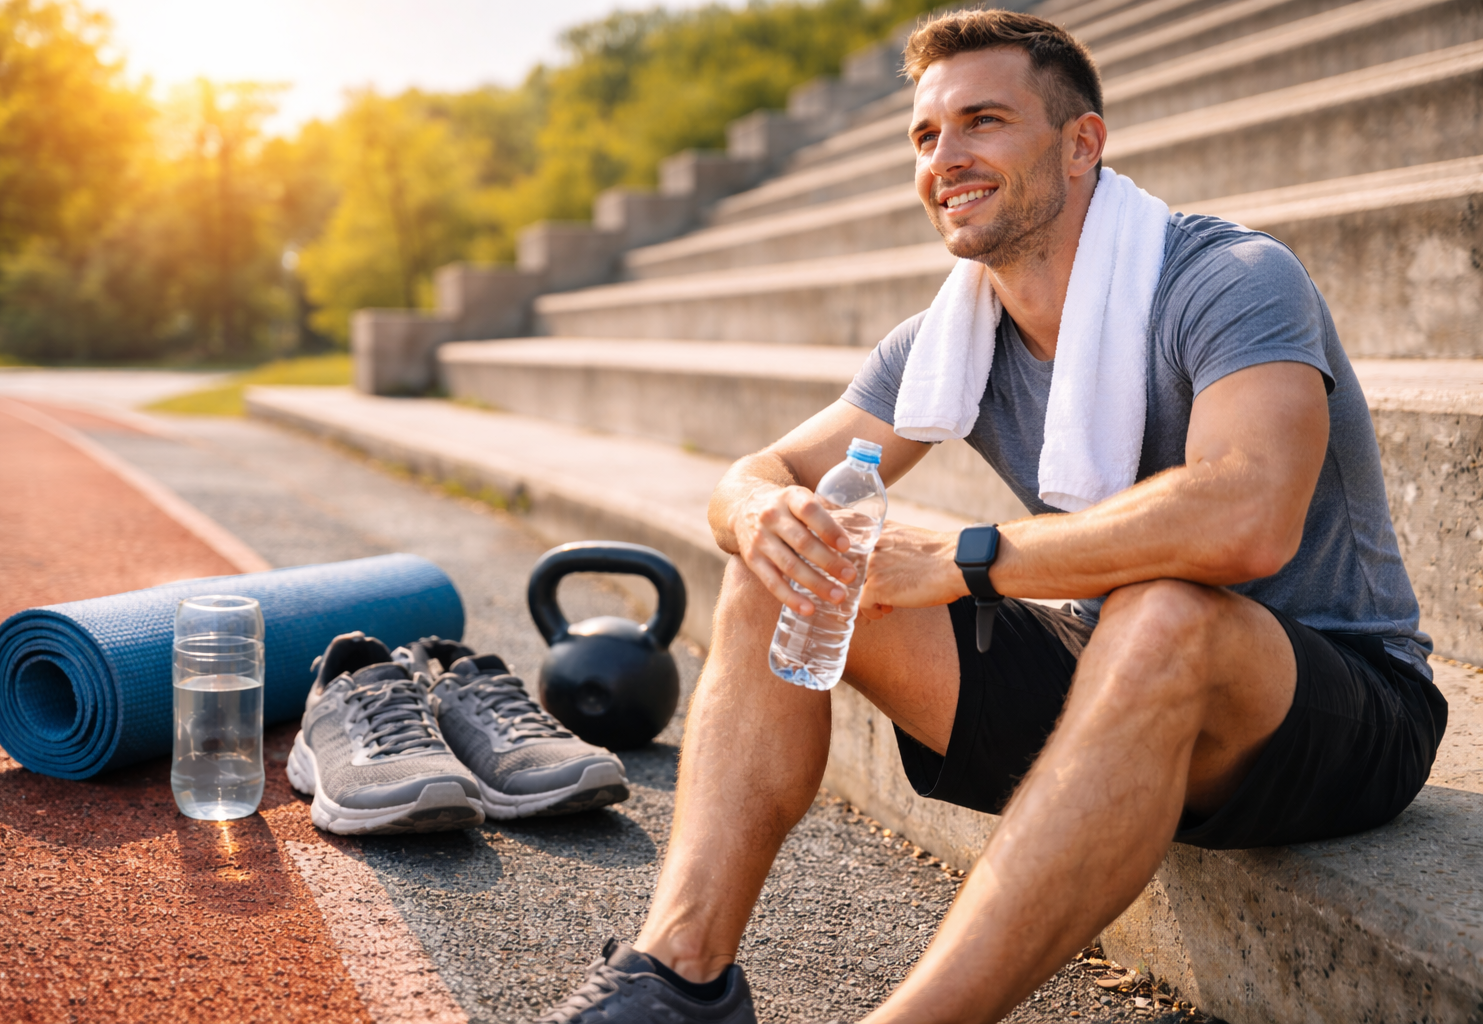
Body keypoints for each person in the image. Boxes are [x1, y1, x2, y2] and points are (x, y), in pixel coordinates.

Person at [538, 9, 1447, 1023]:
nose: (947, 158)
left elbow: (1248, 514)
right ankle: (677, 977)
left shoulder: (1230, 279)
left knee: (1162, 613)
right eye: (927, 135)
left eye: (984, 121)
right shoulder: (952, 335)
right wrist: (761, 511)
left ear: (1081, 142)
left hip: (1337, 706)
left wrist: (966, 556)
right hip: (1116, 682)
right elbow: (761, 473)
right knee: (788, 555)